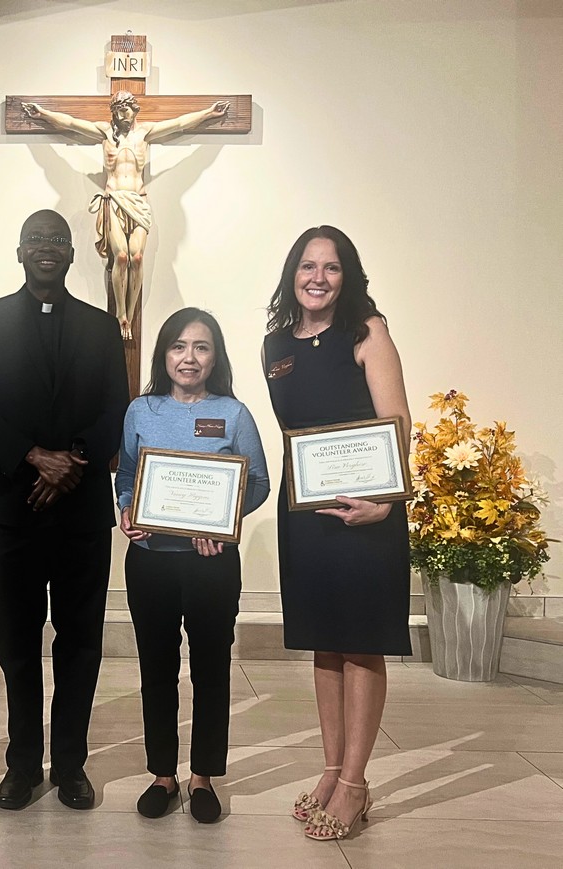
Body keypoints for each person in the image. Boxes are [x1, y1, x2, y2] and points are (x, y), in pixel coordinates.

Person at [0, 209, 130, 811]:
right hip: (13, 507)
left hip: (82, 511)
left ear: (73, 253)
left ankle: (72, 765)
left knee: (81, 642)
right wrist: (34, 457)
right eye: (36, 239)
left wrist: (72, 461)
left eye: (58, 240)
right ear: (20, 251)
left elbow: (117, 408)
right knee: (17, 642)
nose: (47, 248)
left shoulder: (102, 327)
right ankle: (23, 764)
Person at [262, 226, 412, 841]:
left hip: (367, 512)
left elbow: (397, 419)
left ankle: (355, 783)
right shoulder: (274, 344)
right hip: (306, 513)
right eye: (308, 266)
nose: (318, 278)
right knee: (324, 642)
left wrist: (385, 503)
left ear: (347, 277)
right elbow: (296, 432)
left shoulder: (367, 330)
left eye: (331, 267)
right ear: (292, 274)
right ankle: (331, 770)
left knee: (360, 643)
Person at [116, 308, 270, 823]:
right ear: (164, 354)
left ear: (215, 357)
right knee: (156, 669)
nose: (189, 357)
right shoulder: (141, 410)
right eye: (178, 346)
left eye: (201, 347)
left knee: (210, 669)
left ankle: (203, 776)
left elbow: (258, 483)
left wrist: (221, 522)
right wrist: (126, 510)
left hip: (211, 565)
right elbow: (127, 475)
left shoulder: (234, 413)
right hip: (150, 562)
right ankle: (163, 774)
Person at [21, 93, 229, 339]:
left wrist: (209, 113)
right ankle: (121, 314)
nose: (124, 115)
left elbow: (179, 123)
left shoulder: (145, 133)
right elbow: (71, 123)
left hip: (138, 201)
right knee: (121, 257)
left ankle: (131, 311)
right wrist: (42, 114)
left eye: (128, 109)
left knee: (137, 258)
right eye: (119, 110)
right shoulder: (104, 133)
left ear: (135, 110)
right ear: (114, 112)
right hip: (114, 200)